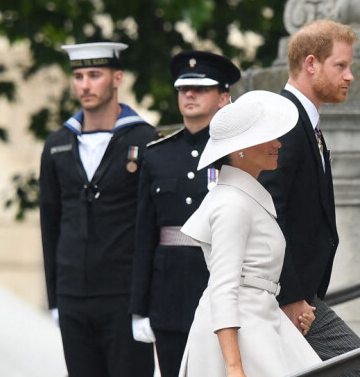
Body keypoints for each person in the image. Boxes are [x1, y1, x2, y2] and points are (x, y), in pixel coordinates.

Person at [178, 90, 322, 377]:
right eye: (269, 136)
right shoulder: (231, 203)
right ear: (240, 147)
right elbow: (223, 288)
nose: (279, 143)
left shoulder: (242, 198)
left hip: (259, 323)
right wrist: (233, 367)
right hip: (239, 334)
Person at [39, 42, 156, 377]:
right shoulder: (58, 144)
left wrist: (146, 300)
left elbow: (151, 225)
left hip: (124, 296)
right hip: (73, 296)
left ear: (117, 78)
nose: (85, 85)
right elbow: (50, 224)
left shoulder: (145, 140)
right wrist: (55, 298)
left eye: (94, 75)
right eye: (78, 76)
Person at [130, 50, 241, 376]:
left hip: (220, 287)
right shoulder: (157, 155)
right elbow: (144, 234)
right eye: (183, 88)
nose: (189, 94)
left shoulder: (238, 153)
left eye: (201, 88)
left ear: (223, 97)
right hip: (168, 296)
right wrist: (139, 308)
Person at [258, 19, 360, 370]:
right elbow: (271, 214)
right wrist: (290, 296)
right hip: (289, 299)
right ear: (311, 64)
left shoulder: (303, 121)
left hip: (304, 295)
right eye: (341, 66)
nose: (350, 76)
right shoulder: (286, 122)